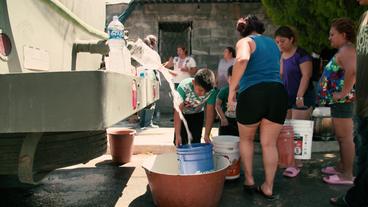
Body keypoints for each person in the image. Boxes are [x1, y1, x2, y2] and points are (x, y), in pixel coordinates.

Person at [228, 15, 288, 200]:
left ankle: (250, 180)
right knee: (269, 143)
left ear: (242, 31)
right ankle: (268, 187)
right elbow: (280, 72)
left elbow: (242, 60)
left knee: (246, 140)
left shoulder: (245, 41)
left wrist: (232, 91)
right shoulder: (273, 44)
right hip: (277, 93)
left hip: (252, 94)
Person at [330, 0, 368, 206]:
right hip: (362, 103)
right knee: (363, 156)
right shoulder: (364, 18)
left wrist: (344, 92)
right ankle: (357, 198)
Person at [317, 18, 356, 185]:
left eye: (332, 34)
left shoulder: (347, 50)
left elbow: (352, 71)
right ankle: (342, 166)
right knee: (342, 138)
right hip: (340, 103)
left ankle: (348, 175)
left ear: (344, 35)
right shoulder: (345, 49)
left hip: (344, 102)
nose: (329, 37)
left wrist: (343, 93)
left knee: (345, 137)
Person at [274, 26, 315, 178]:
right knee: (287, 130)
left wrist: (299, 96)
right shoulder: (281, 55)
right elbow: (280, 75)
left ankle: (297, 163)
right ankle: (288, 160)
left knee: (298, 130)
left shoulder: (302, 55)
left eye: (283, 41)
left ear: (291, 39)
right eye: (277, 42)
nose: (280, 44)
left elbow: (306, 76)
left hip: (302, 96)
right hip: (287, 97)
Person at [173, 68, 217, 146]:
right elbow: (178, 112)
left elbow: (210, 114)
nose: (203, 94)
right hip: (182, 115)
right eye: (200, 90)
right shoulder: (183, 87)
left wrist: (207, 134)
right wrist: (177, 135)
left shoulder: (212, 91)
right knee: (180, 141)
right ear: (193, 83)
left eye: (205, 91)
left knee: (195, 141)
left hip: (198, 114)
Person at [139, 35, 159, 128]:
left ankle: (142, 123)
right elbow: (157, 66)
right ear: (153, 43)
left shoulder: (141, 51)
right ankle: (148, 123)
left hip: (142, 78)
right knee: (151, 101)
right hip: (151, 78)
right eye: (155, 42)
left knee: (143, 101)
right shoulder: (152, 53)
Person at [215, 66, 239, 136]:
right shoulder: (224, 91)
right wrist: (223, 118)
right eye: (230, 79)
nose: (233, 82)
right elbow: (217, 105)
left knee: (237, 140)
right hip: (225, 119)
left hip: (238, 122)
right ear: (228, 78)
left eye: (236, 80)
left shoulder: (242, 92)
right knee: (224, 138)